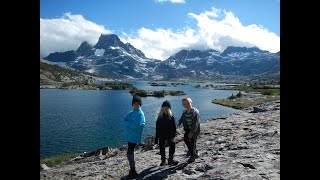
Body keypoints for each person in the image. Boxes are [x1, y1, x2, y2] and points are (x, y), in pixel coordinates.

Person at [124, 95, 145, 179]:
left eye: (138, 103)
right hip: (130, 136)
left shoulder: (140, 114)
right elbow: (124, 120)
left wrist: (129, 124)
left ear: (140, 104)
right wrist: (130, 123)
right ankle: (132, 169)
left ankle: (133, 170)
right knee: (130, 152)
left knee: (129, 152)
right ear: (132, 104)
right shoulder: (131, 112)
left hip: (134, 137)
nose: (136, 105)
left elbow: (136, 125)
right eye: (134, 103)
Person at [155, 100, 179, 166]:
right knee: (162, 148)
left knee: (172, 145)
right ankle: (163, 161)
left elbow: (174, 128)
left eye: (167, 106)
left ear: (169, 108)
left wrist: (173, 136)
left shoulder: (172, 117)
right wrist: (156, 138)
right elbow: (157, 128)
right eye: (164, 106)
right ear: (162, 107)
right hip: (161, 135)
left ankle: (170, 159)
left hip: (170, 135)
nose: (166, 108)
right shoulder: (159, 117)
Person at [177, 97, 200, 163]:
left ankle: (193, 156)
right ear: (183, 105)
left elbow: (196, 123)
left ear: (191, 103)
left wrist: (192, 132)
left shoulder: (195, 112)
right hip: (188, 129)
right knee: (185, 139)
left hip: (194, 130)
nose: (186, 105)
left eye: (188, 103)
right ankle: (193, 151)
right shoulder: (185, 112)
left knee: (193, 142)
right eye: (184, 104)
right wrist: (179, 123)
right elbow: (182, 118)